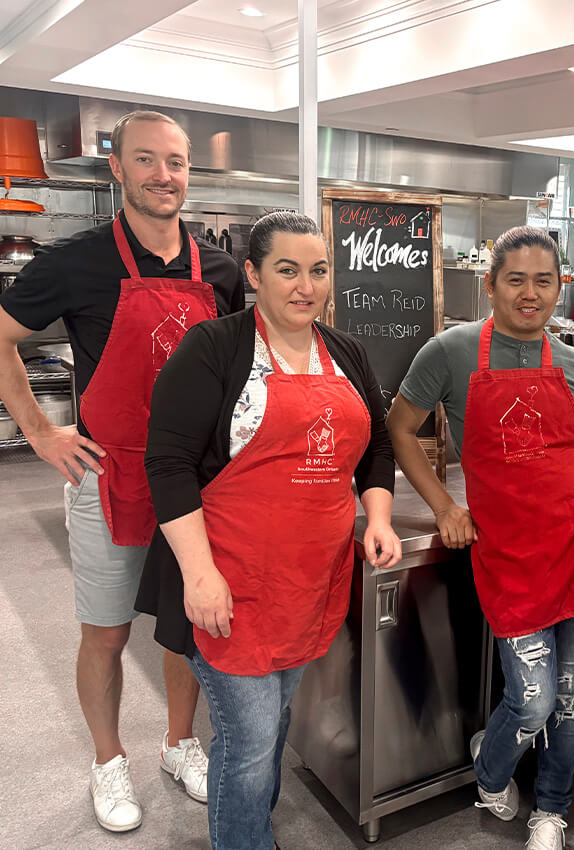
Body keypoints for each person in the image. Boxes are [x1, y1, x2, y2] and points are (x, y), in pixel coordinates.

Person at [0, 110, 243, 831]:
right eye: (146, 160)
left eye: (175, 162)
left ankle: (178, 744)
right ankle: (108, 762)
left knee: (184, 625)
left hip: (195, 485)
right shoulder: (75, 262)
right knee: (105, 632)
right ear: (117, 169)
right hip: (110, 476)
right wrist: (41, 434)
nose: (163, 175)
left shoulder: (221, 270)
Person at [134, 211, 401, 850]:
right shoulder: (214, 349)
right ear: (253, 274)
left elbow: (378, 446)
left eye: (318, 270)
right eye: (287, 270)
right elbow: (167, 465)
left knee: (275, 721)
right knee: (250, 742)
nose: (305, 286)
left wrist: (380, 518)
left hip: (309, 581)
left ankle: (252, 827)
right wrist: (199, 576)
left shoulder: (347, 351)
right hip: (229, 581)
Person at [386, 225, 574, 850]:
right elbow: (400, 429)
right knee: (534, 701)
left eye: (544, 281)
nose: (530, 293)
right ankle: (490, 771)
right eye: (515, 279)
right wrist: (444, 507)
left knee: (570, 696)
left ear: (560, 287)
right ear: (490, 285)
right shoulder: (451, 351)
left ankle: (552, 808)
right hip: (511, 555)